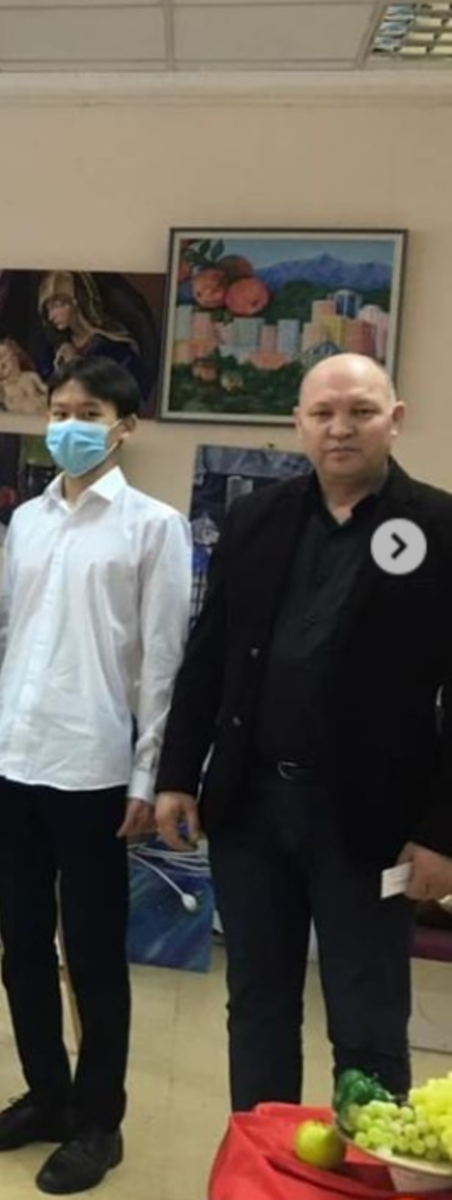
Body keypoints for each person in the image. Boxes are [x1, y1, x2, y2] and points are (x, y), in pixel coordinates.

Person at [155, 353, 452, 1113]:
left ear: (396, 419)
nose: (340, 428)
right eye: (323, 414)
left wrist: (441, 834)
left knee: (367, 1020)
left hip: (372, 823)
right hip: (252, 807)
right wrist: (178, 774)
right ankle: (265, 1159)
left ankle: (373, 1166)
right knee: (257, 1004)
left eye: (360, 411)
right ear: (298, 425)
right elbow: (209, 656)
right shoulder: (258, 518)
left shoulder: (440, 528)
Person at [0, 357, 191, 1195]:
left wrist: (146, 777)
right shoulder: (27, 520)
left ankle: (100, 1121)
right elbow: (9, 638)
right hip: (15, 761)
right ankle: (46, 1096)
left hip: (95, 768)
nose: (67, 424)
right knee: (21, 946)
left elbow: (162, 662)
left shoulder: (154, 527)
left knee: (92, 954)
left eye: (87, 412)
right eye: (58, 409)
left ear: (124, 427)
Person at [37, 271, 143, 389]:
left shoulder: (115, 348)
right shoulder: (54, 351)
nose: (51, 317)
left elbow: (125, 390)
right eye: (48, 309)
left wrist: (77, 364)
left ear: (76, 302)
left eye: (56, 306)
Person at [0, 339, 48, 416]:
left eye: (2, 356)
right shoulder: (1, 388)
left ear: (15, 355)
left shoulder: (30, 376)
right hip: (21, 421)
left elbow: (46, 390)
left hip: (42, 416)